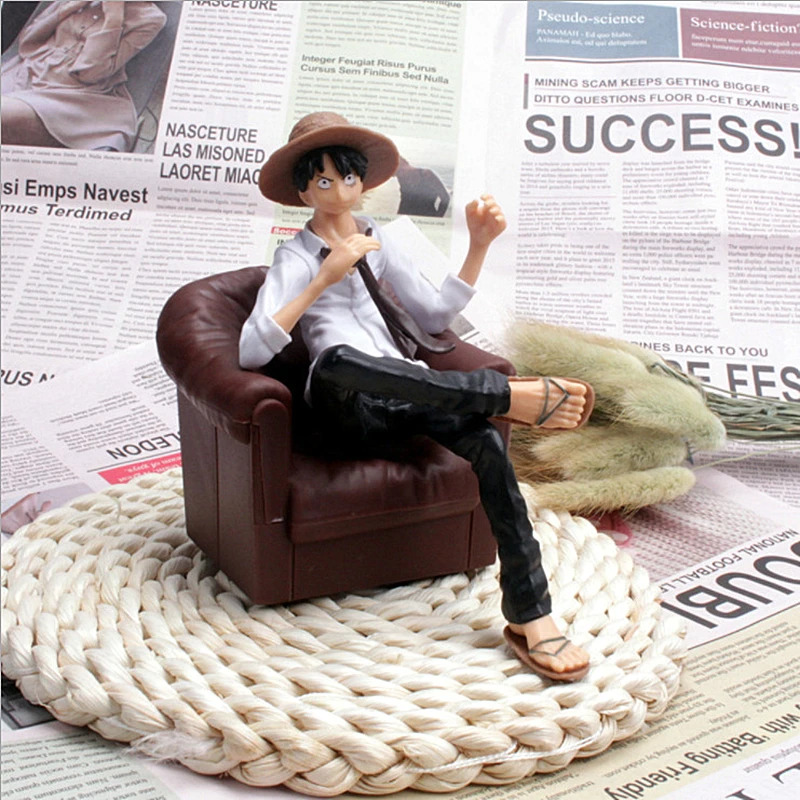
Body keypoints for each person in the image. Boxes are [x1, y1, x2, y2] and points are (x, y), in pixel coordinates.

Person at [240, 112, 594, 681]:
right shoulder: (295, 259)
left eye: (347, 178)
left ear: (363, 182)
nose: (339, 193)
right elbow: (251, 350)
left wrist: (478, 247)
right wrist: (323, 279)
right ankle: (498, 395)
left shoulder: (383, 240)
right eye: (323, 181)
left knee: (486, 443)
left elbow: (432, 318)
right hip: (344, 405)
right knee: (338, 360)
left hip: (408, 392)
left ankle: (533, 614)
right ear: (303, 192)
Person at [1, 1, 166, 150]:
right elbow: (27, 41)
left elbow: (90, 73)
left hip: (74, 97)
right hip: (29, 72)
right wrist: (70, 6)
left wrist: (113, 20)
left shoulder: (150, 18)